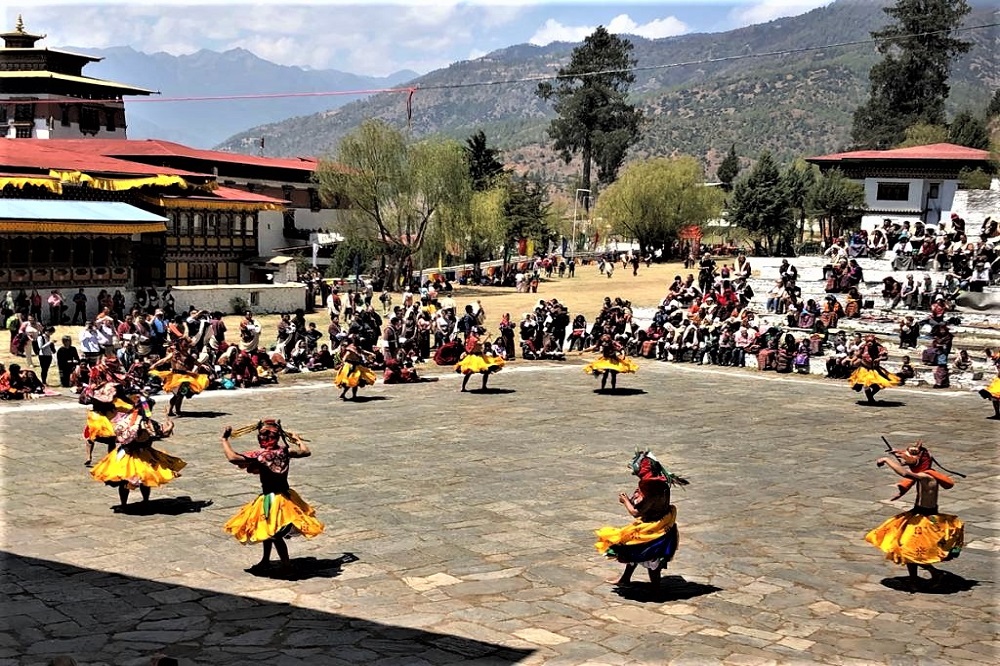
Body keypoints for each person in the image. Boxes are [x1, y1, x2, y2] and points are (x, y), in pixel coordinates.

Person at [221, 420, 323, 572]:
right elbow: (306, 452)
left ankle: (287, 565)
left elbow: (233, 458)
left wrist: (224, 440)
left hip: (273, 499)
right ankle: (265, 560)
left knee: (274, 534)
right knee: (268, 529)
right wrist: (298, 440)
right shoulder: (285, 451)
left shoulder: (261, 455)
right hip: (286, 496)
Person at [866, 441, 964, 590]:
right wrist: (897, 453)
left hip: (926, 519)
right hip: (917, 514)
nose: (905, 457)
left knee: (911, 549)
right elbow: (908, 465)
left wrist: (887, 460)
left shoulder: (927, 477)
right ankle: (914, 580)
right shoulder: (924, 474)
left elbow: (905, 473)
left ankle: (934, 573)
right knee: (906, 547)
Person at [595, 450, 688, 588]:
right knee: (632, 551)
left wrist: (625, 500)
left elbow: (635, 512)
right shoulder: (663, 486)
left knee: (651, 562)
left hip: (653, 532)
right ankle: (625, 578)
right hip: (662, 524)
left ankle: (656, 590)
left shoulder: (651, 492)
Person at [90, 395, 182, 507]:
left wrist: (169, 426)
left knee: (143, 479)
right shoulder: (141, 422)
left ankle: (136, 502)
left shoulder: (138, 421)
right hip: (133, 454)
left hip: (139, 453)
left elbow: (160, 432)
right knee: (133, 479)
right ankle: (138, 502)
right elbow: (160, 433)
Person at [149, 339, 211, 417]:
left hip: (186, 377)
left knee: (180, 395)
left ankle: (176, 410)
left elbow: (195, 362)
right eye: (185, 345)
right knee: (177, 395)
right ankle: (172, 410)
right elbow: (164, 360)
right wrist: (154, 365)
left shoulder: (187, 355)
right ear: (180, 345)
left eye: (187, 345)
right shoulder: (174, 354)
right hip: (175, 377)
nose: (186, 347)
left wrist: (202, 365)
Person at [850, 335, 901, 404]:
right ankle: (870, 399)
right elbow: (858, 355)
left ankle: (870, 398)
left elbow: (885, 357)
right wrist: (852, 360)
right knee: (865, 385)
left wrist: (879, 359)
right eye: (868, 341)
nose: (869, 343)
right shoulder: (863, 347)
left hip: (875, 370)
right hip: (864, 369)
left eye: (871, 341)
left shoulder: (879, 348)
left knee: (877, 387)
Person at [454, 326, 505, 392]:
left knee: (486, 371)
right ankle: (463, 387)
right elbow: (480, 344)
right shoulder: (473, 339)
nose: (479, 334)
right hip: (474, 358)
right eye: (478, 333)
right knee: (469, 372)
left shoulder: (474, 338)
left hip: (480, 356)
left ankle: (484, 386)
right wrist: (488, 336)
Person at [334, 336, 377, 401]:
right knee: (351, 382)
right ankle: (344, 394)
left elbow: (363, 351)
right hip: (350, 366)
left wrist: (370, 353)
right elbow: (346, 356)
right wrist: (342, 362)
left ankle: (352, 395)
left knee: (356, 382)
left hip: (357, 366)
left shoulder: (358, 347)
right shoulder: (350, 348)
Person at [977, 351, 1000, 419]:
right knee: (994, 396)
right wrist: (988, 352)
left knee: (995, 395)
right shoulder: (998, 355)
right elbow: (992, 357)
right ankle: (997, 414)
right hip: (998, 380)